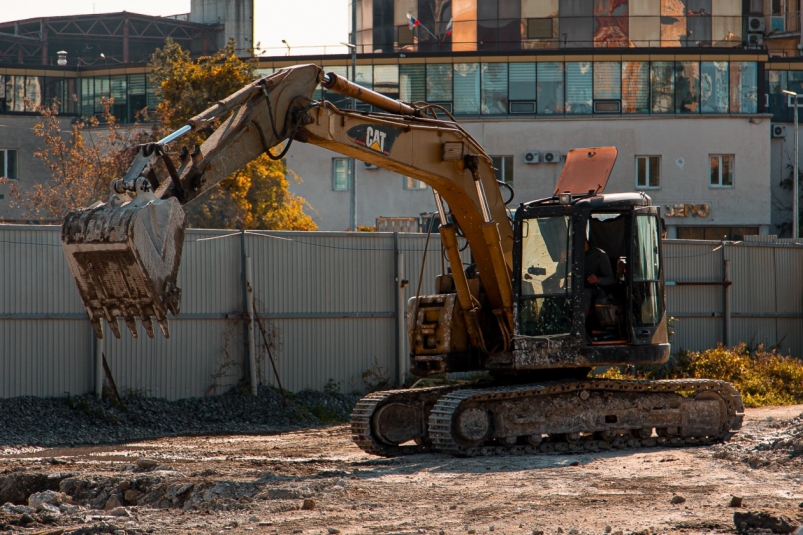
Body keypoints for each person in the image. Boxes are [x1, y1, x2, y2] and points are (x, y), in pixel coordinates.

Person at [583, 239, 615, 319]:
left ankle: (579, 324)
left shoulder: (599, 255)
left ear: (585, 243)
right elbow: (560, 273)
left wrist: (597, 280)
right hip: (574, 287)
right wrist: (562, 261)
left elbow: (610, 279)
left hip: (594, 289)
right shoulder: (572, 254)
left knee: (585, 293)